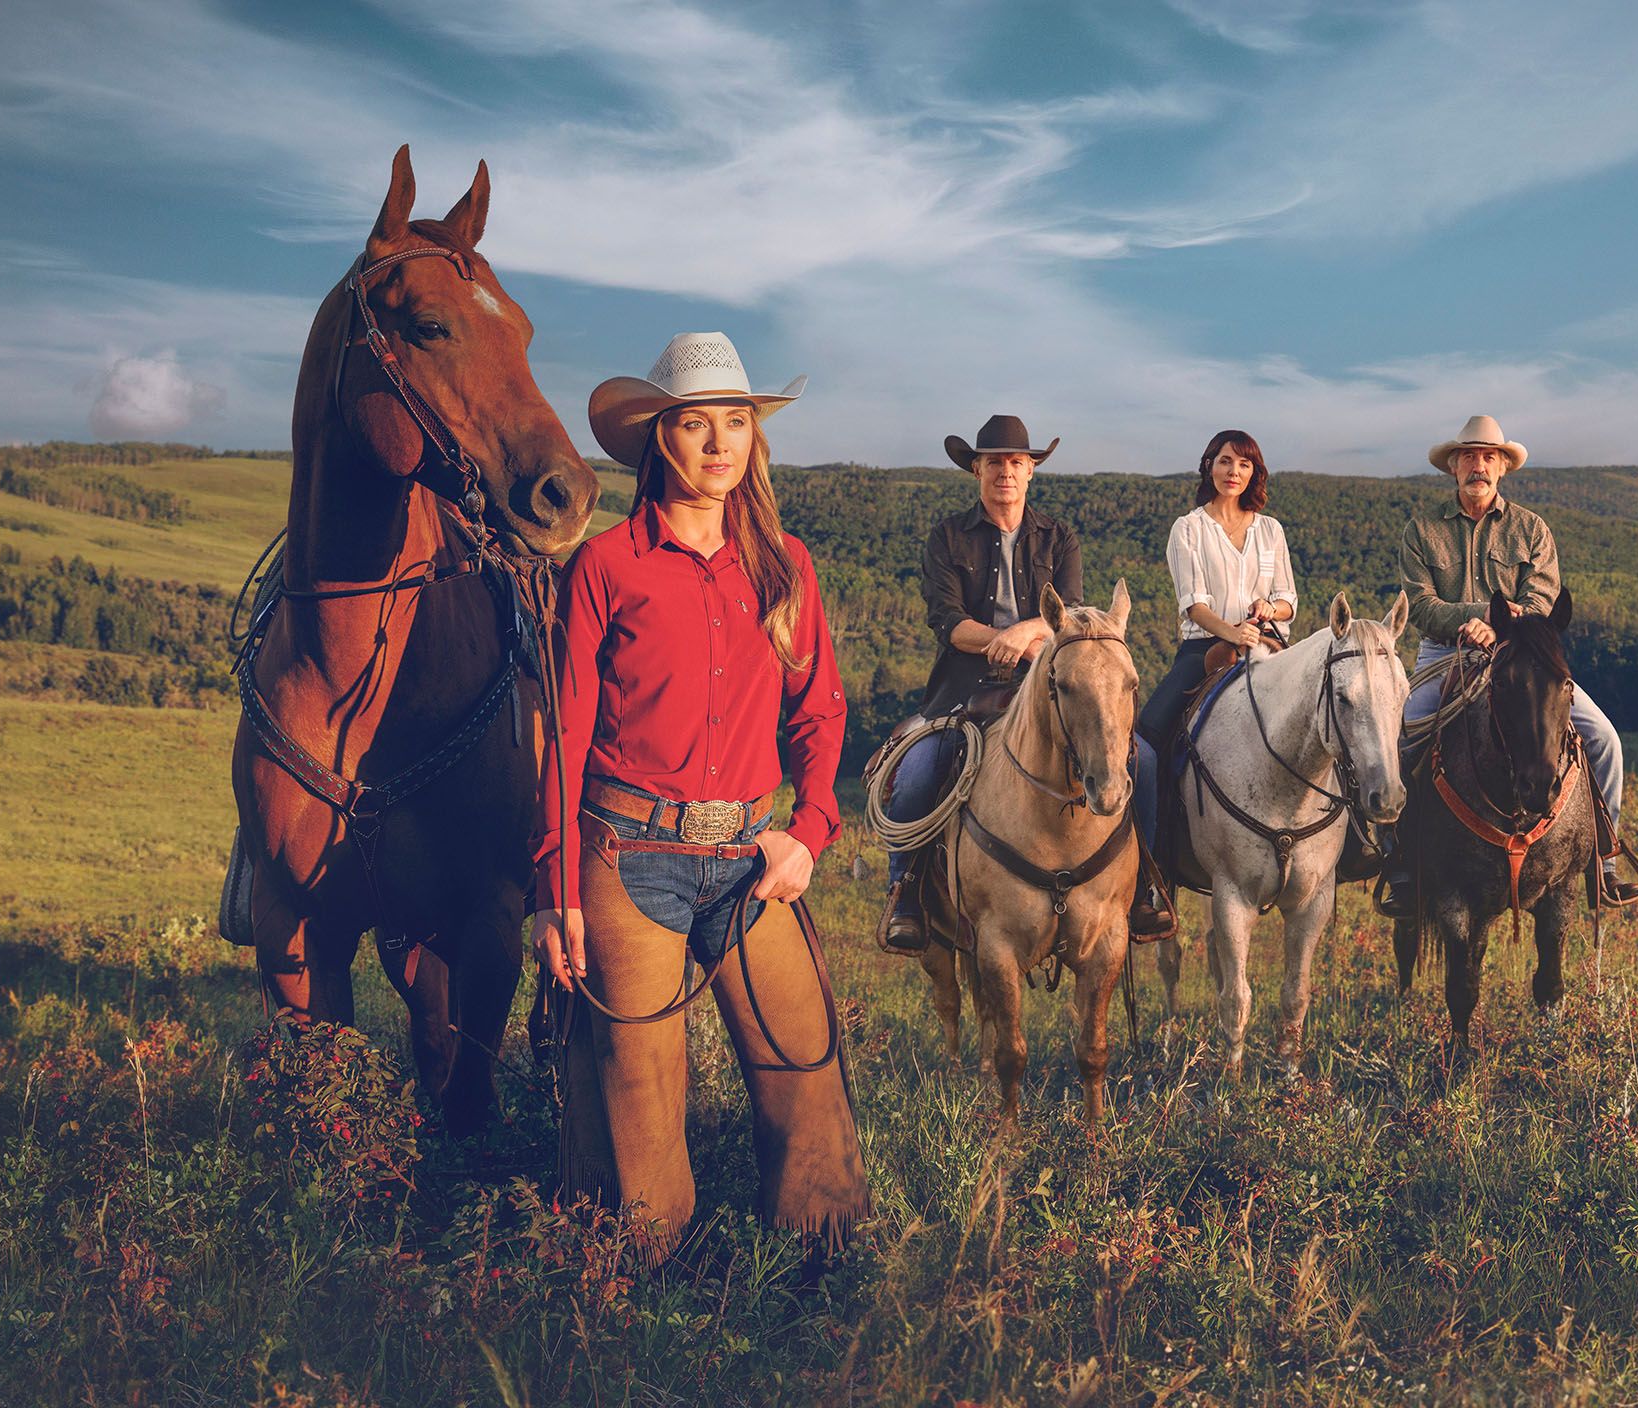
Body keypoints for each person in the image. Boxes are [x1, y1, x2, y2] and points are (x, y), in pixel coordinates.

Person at [527, 331, 868, 1258]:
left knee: (805, 1068)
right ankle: (639, 1298)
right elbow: (561, 733)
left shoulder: (783, 564)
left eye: (736, 423)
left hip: (753, 859)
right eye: (695, 424)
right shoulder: (604, 569)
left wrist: (809, 830)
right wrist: (556, 891)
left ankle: (821, 1278)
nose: (721, 442)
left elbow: (820, 712)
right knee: (639, 1094)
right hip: (627, 855)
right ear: (655, 442)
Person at [876, 414, 1173, 952]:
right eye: (994, 462)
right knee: (919, 769)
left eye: (1017, 462)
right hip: (965, 690)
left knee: (1143, 761)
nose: (1006, 472)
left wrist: (1026, 634)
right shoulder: (947, 537)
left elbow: (1075, 608)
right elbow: (946, 620)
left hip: (1047, 687)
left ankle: (1148, 883)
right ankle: (907, 892)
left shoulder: (1059, 537)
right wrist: (999, 638)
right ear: (977, 470)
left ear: (1031, 471)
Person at [1392, 414, 1638, 904]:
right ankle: (1400, 861)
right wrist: (1483, 613)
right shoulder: (1421, 531)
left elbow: (1542, 599)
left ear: (1502, 467)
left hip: (1521, 654)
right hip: (1447, 654)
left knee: (1605, 740)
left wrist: (1503, 624)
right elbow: (1421, 607)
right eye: (1468, 456)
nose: (1477, 465)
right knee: (1396, 739)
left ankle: (1602, 861)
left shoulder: (1532, 529)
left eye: (1488, 457)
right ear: (1454, 467)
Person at [1137, 429, 1299, 751]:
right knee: (1147, 736)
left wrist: (1270, 607)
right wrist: (1234, 633)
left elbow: (1288, 600)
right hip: (1204, 648)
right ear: (1210, 466)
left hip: (1268, 642)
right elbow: (1194, 606)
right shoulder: (1188, 528)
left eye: (1244, 464)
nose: (1233, 472)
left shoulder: (1271, 530)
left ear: (1254, 473)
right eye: (1225, 461)